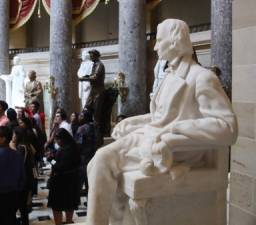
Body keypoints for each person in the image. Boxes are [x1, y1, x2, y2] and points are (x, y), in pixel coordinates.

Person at [86, 19, 238, 225]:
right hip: (151, 134)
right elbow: (162, 116)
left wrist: (177, 129)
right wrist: (133, 122)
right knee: (98, 159)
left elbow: (227, 127)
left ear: (175, 42)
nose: (156, 46)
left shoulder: (202, 77)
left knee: (103, 160)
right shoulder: (168, 74)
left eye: (159, 40)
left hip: (175, 146)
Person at [47, 128, 81, 225]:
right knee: (69, 205)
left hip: (61, 182)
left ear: (62, 139)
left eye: (57, 140)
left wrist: (51, 160)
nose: (57, 142)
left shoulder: (66, 149)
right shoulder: (73, 147)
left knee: (57, 206)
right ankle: (69, 222)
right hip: (72, 181)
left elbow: (59, 167)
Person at [11, 127, 36, 225]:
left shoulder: (21, 147)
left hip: (22, 181)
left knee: (19, 205)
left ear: (18, 136)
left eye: (14, 135)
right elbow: (34, 152)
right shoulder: (26, 145)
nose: (12, 137)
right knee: (23, 206)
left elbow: (18, 162)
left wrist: (12, 147)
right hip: (27, 179)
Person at [74, 110, 96, 194]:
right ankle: (89, 198)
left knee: (81, 177)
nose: (79, 118)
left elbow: (79, 144)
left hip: (83, 156)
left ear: (86, 117)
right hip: (93, 155)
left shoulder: (82, 128)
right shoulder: (94, 126)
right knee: (90, 178)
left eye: (81, 116)